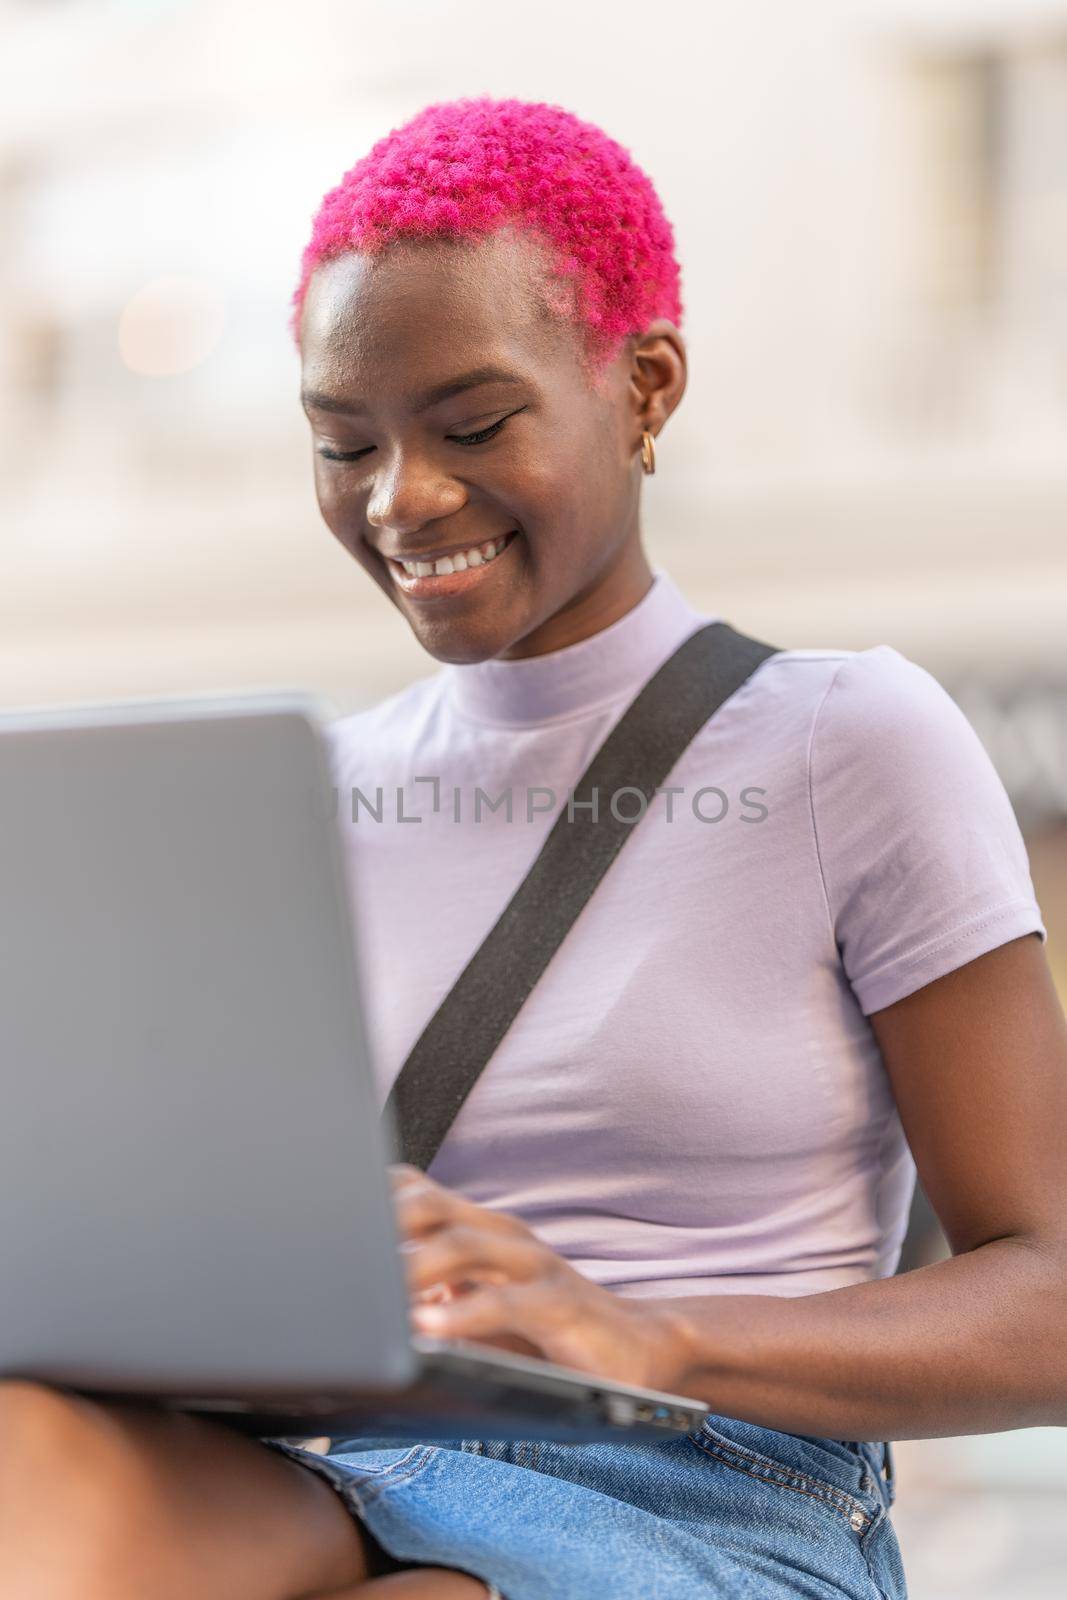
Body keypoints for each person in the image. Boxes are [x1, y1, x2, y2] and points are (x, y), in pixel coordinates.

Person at [3, 95, 1066, 1600]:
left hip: (712, 1492)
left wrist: (647, 1329)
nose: (402, 499)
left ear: (642, 388)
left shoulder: (848, 738)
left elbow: (1053, 1297)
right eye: (341, 441)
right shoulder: (303, 790)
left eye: (475, 424)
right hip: (349, 1460)